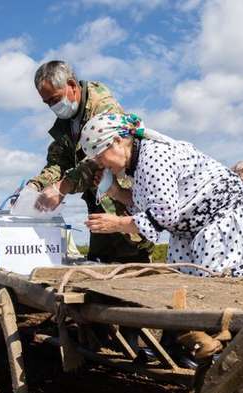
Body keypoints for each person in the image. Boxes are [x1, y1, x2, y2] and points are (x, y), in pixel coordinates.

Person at [82, 113, 243, 277]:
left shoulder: (152, 157)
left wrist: (116, 224)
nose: (100, 164)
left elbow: (164, 216)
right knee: (187, 284)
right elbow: (150, 203)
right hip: (190, 227)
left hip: (220, 216)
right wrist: (115, 192)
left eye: (99, 156)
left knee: (217, 285)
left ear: (117, 141)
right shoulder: (136, 165)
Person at [26, 61, 153, 263]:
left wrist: (62, 187)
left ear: (72, 85)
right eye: (47, 102)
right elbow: (57, 163)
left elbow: (100, 157)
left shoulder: (103, 106)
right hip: (97, 205)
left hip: (122, 202)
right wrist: (35, 187)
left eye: (55, 99)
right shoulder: (65, 126)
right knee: (98, 265)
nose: (52, 106)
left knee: (131, 267)